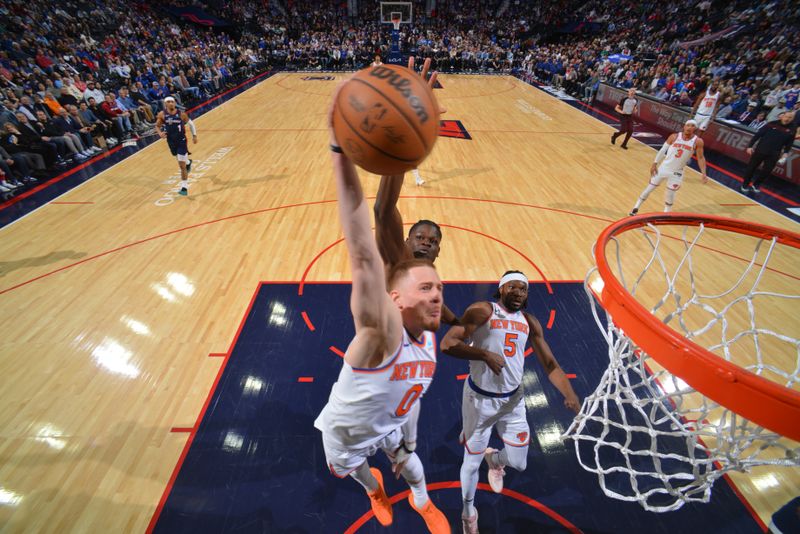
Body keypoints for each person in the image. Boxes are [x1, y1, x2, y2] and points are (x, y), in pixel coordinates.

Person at [314, 83, 450, 534]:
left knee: (410, 462)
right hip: (351, 427)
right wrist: (402, 147)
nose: (426, 242)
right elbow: (375, 215)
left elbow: (411, 394)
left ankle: (422, 499)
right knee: (363, 473)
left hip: (393, 409)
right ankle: (374, 490)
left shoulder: (427, 315)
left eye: (434, 240)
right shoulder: (391, 266)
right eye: (421, 236)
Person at [440, 270, 580, 533]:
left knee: (519, 463)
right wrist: (484, 355)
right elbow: (448, 344)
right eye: (512, 287)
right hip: (479, 401)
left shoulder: (530, 322)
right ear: (501, 289)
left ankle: (494, 460)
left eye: (523, 288)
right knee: (470, 462)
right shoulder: (483, 310)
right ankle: (468, 513)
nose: (518, 292)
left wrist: (570, 394)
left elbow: (550, 364)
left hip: (513, 401)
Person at [629, 119, 708, 215]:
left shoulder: (698, 141)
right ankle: (636, 207)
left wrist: (703, 173)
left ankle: (666, 213)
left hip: (677, 172)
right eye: (688, 125)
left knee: (670, 194)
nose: (689, 127)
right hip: (663, 168)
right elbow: (663, 150)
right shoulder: (674, 136)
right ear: (684, 126)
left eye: (692, 126)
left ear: (695, 129)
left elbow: (700, 157)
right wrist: (655, 163)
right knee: (649, 188)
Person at [741, 111, 797, 194]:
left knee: (767, 171)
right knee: (751, 167)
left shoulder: (792, 129)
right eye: (786, 116)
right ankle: (745, 184)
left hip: (774, 153)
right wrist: (750, 146)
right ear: (782, 116)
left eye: (790, 118)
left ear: (793, 119)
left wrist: (785, 153)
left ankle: (756, 184)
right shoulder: (771, 124)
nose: (787, 119)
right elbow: (758, 135)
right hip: (761, 149)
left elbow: (789, 143)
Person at [155, 96, 196, 196]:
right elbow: (157, 126)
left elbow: (191, 124)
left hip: (181, 141)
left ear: (174, 103)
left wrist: (194, 135)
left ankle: (184, 187)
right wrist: (160, 133)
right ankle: (188, 162)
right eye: (168, 102)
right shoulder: (162, 114)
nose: (171, 103)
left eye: (172, 101)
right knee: (181, 160)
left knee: (182, 166)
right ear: (165, 104)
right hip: (171, 142)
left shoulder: (181, 114)